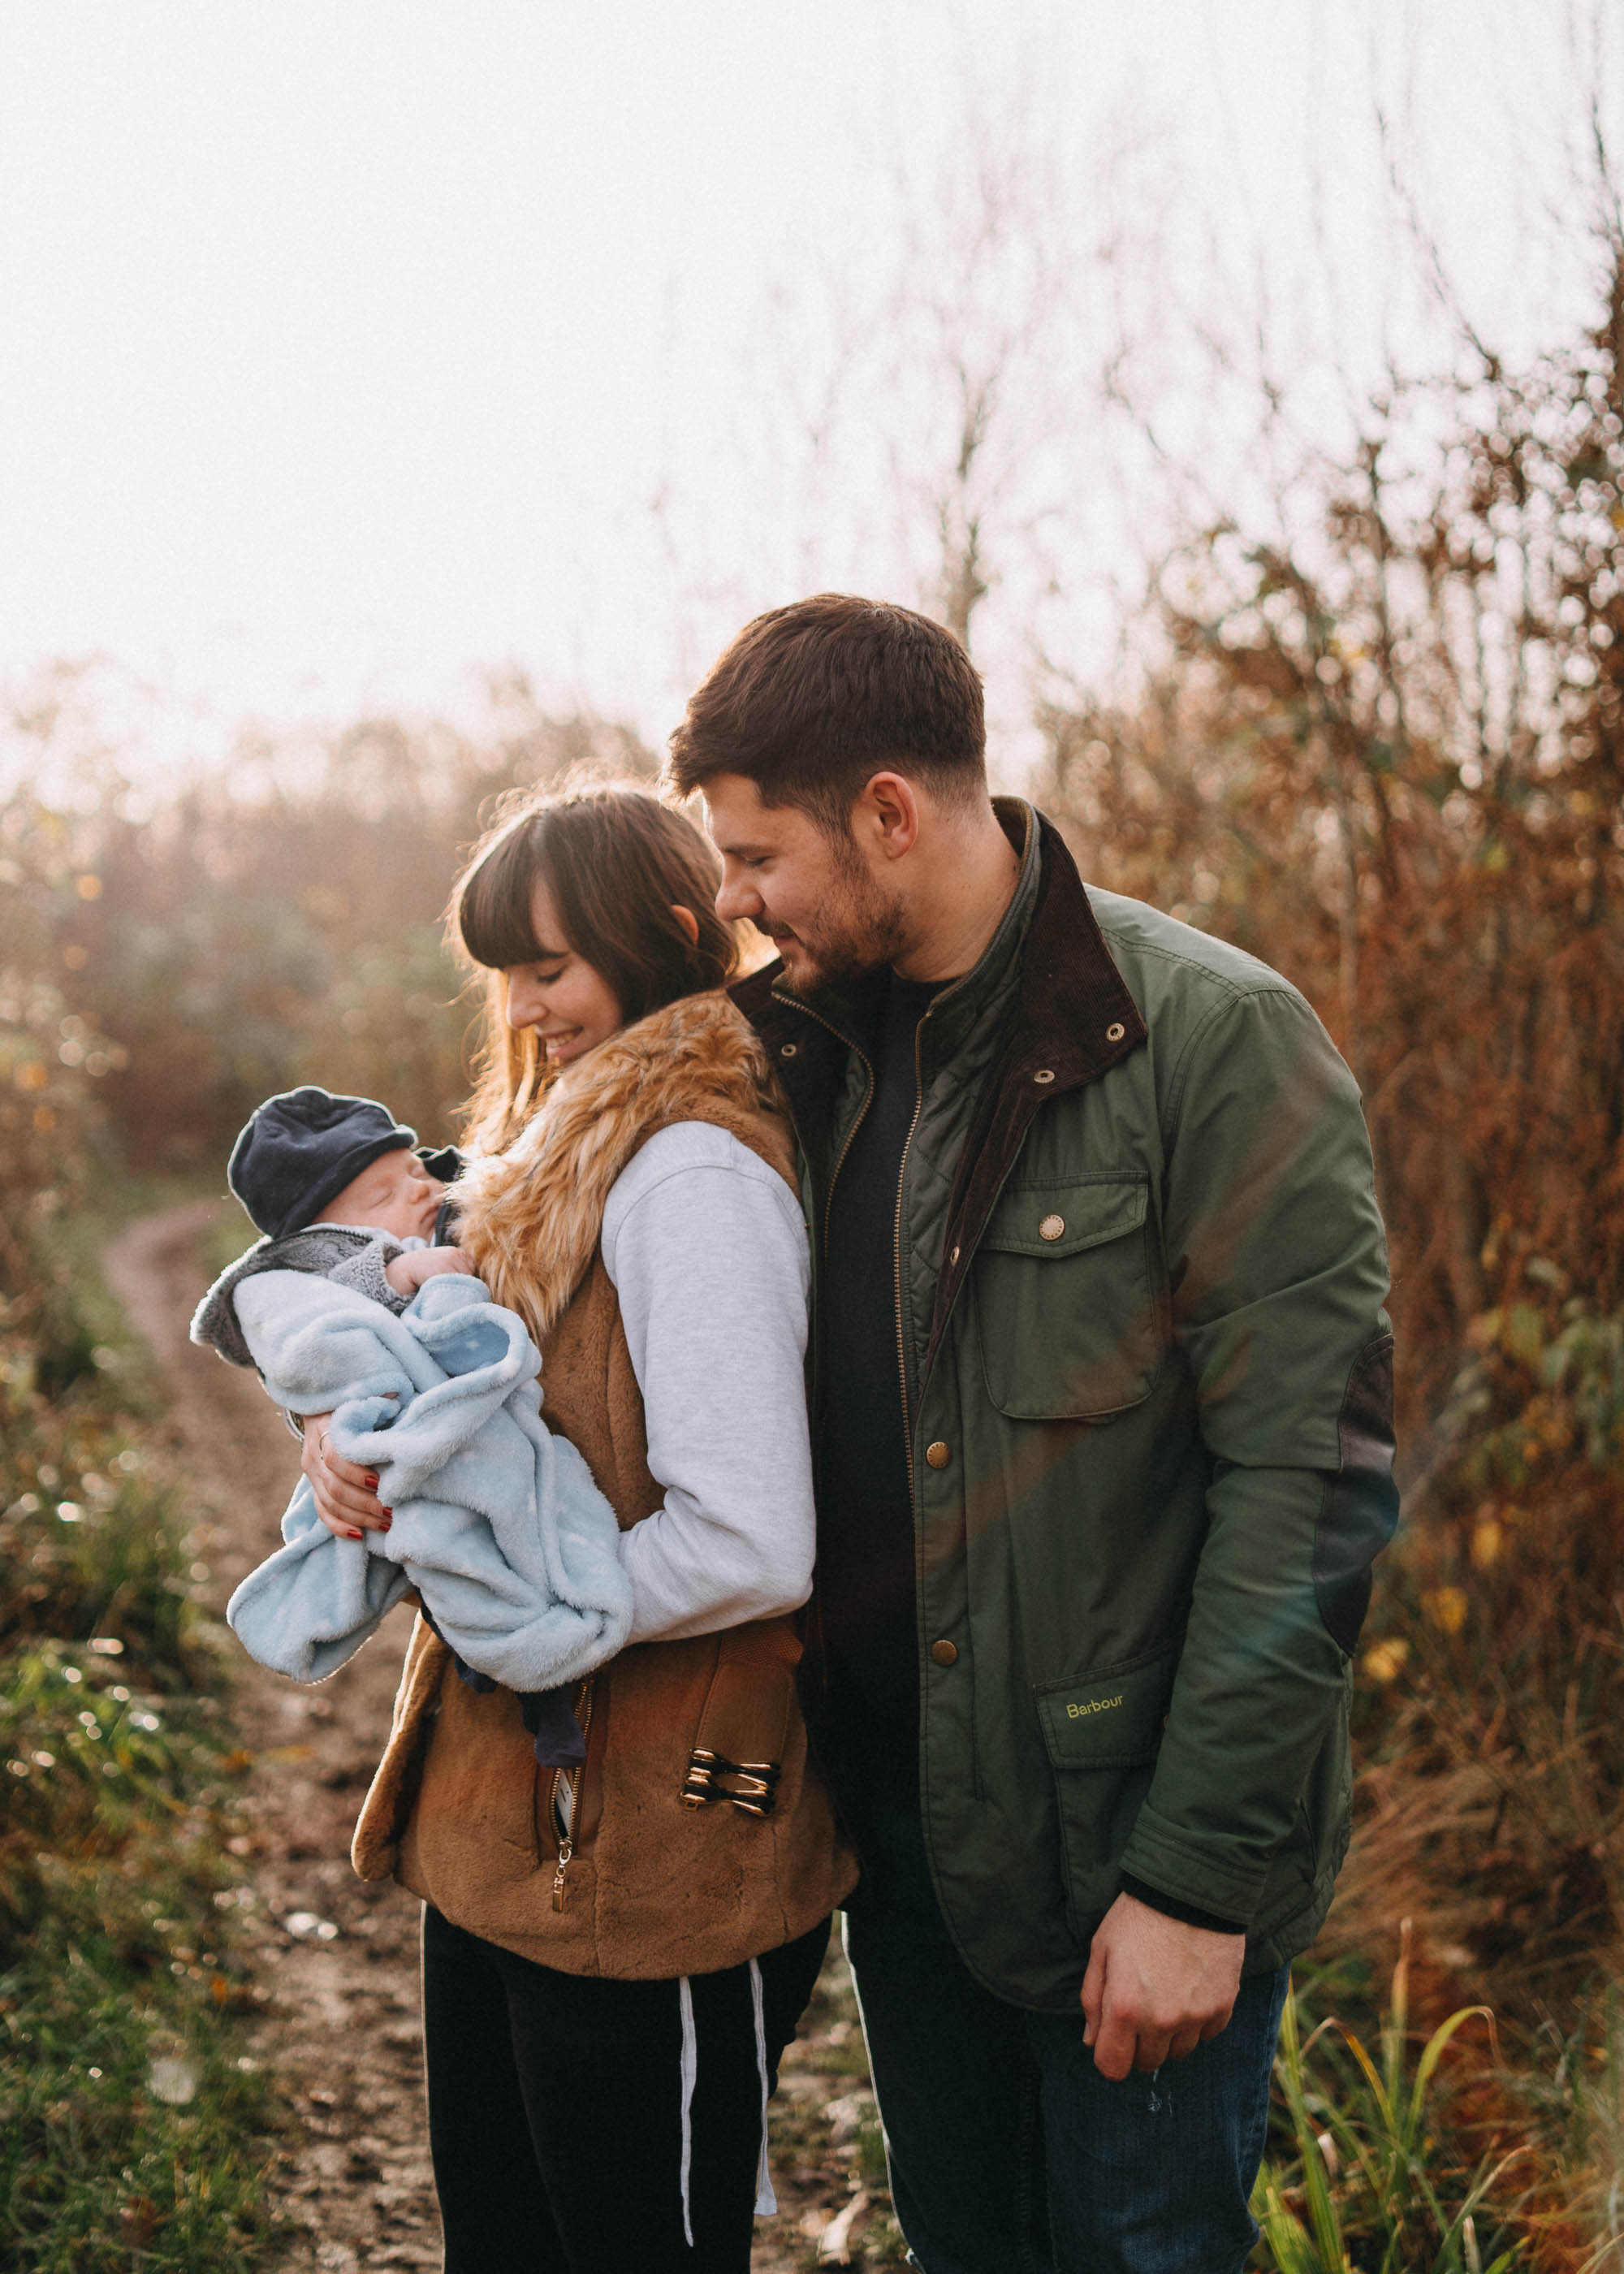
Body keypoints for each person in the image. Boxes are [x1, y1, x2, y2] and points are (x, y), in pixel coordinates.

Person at [667, 594, 1399, 2274]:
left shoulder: (1207, 1038)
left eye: (756, 851)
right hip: (908, 1852)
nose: (735, 900)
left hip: (1125, 1863)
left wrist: (1196, 1885)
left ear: (886, 814)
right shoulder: (802, 1051)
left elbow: (1318, 1486)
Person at [292, 789, 855, 2274]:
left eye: (550, 967)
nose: (527, 1009)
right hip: (512, 1822)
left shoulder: (692, 1173)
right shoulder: (549, 1151)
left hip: (655, 1844)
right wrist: (346, 1436)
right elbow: (436, 1350)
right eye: (507, 975)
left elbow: (749, 1539)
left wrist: (517, 1603)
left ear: (664, 938)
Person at [190, 1088, 630, 1739]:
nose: (422, 1192)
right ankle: (511, 1656)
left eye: (417, 1172)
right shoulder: (326, 1267)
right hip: (411, 1450)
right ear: (330, 1235)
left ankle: (529, 1656)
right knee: (440, 1537)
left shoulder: (461, 1208)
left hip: (487, 1430)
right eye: (383, 1197)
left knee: (521, 1510)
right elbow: (310, 1325)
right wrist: (394, 1279)